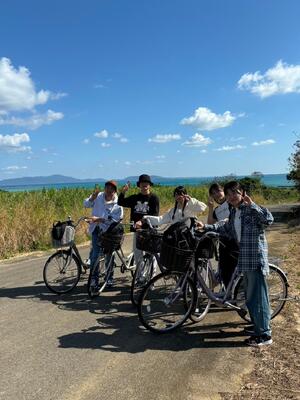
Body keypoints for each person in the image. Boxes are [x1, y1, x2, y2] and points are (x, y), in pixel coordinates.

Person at [197, 181, 274, 347]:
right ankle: (257, 327)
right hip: (243, 260)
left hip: (254, 259)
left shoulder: (250, 209)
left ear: (243, 193)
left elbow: (268, 220)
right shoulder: (235, 211)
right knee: (250, 298)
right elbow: (226, 228)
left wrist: (252, 204)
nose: (232, 196)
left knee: (258, 298)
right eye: (229, 193)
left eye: (235, 193)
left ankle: (265, 335)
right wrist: (206, 227)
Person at [83, 180, 123, 291]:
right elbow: (86, 204)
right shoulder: (99, 196)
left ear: (115, 191)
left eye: (111, 189)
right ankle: (94, 280)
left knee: (109, 255)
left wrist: (99, 219)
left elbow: (117, 218)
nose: (109, 191)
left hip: (109, 231)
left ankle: (109, 278)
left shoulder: (117, 202)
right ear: (104, 188)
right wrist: (91, 198)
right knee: (95, 255)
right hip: (96, 229)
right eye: (107, 188)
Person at [118, 174, 159, 265]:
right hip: (138, 231)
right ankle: (140, 277)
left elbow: (155, 215)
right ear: (139, 185)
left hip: (150, 230)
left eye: (146, 183)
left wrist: (143, 221)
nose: (144, 184)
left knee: (151, 255)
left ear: (149, 185)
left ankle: (151, 277)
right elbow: (120, 202)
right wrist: (123, 192)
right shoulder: (134, 198)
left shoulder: (154, 198)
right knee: (138, 255)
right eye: (142, 183)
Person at [207, 183, 238, 288]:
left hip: (235, 240)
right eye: (213, 193)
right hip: (223, 241)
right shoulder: (217, 210)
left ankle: (232, 290)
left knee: (231, 269)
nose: (216, 194)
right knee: (224, 268)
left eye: (218, 191)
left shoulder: (231, 203)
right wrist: (210, 208)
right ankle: (226, 290)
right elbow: (210, 223)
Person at [139, 185, 207, 228]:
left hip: (189, 238)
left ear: (185, 195)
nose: (179, 197)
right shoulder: (173, 211)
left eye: (181, 194)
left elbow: (203, 208)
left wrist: (191, 200)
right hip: (177, 238)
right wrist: (146, 218)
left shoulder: (190, 206)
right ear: (174, 197)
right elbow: (160, 219)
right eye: (176, 195)